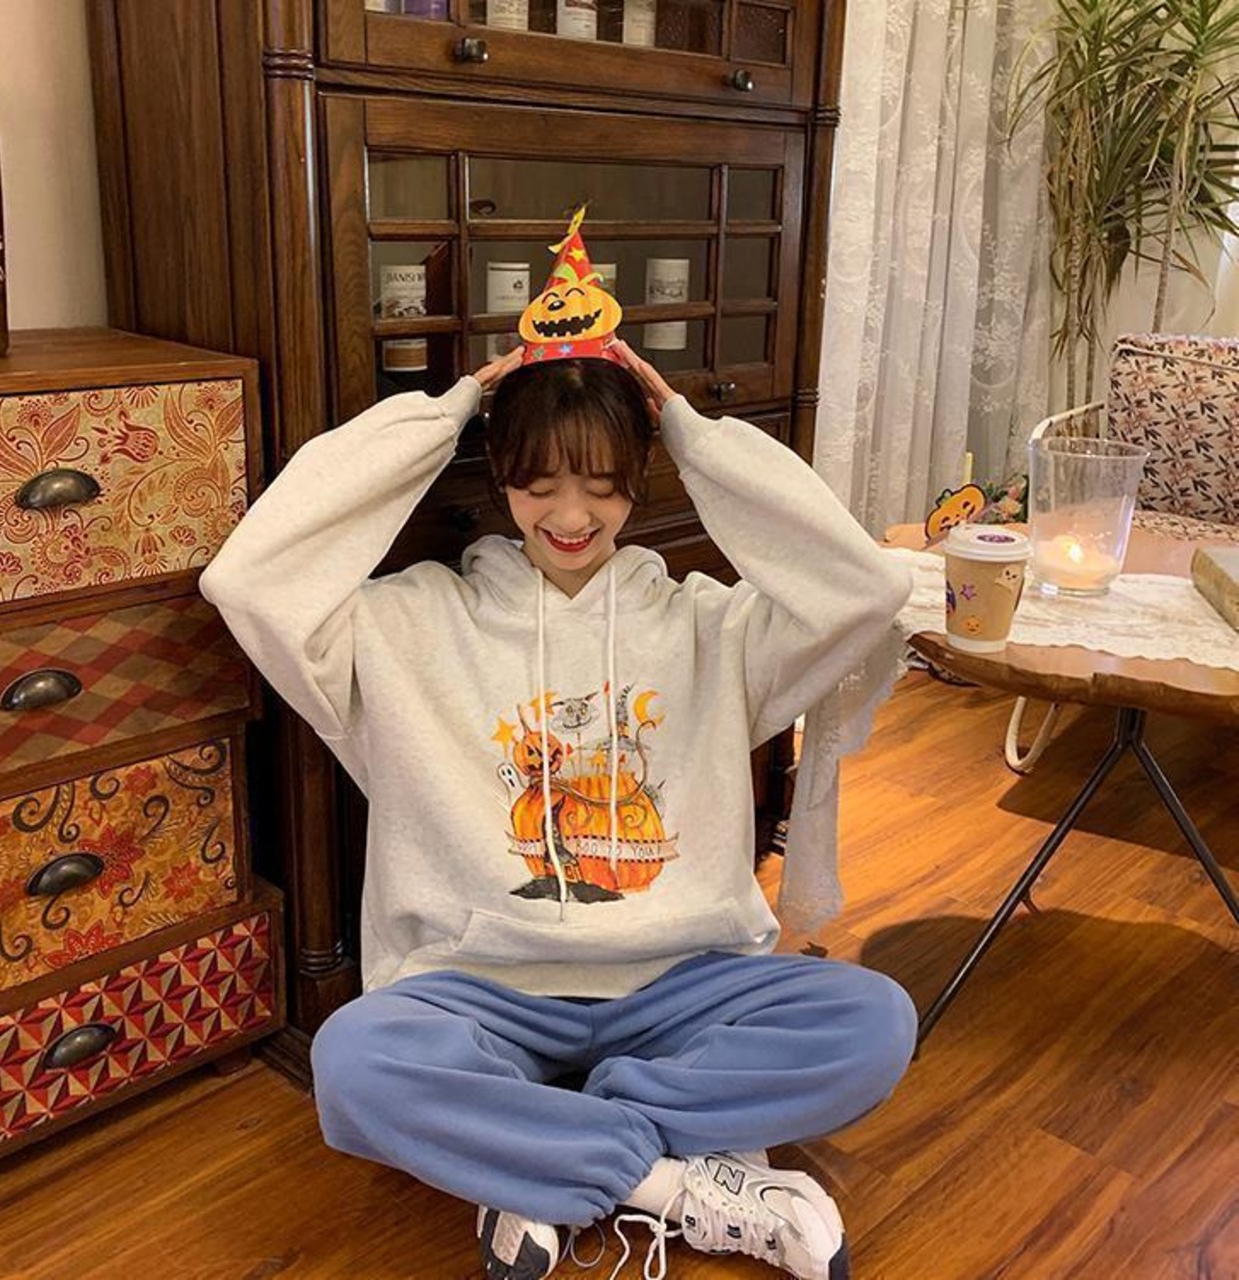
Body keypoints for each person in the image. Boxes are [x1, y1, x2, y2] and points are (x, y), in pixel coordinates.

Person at [200, 220, 915, 1280]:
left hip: (681, 984)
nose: (572, 514)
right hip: (476, 992)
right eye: (539, 482)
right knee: (353, 1064)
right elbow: (247, 579)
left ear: (641, 478)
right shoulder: (402, 627)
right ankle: (681, 1179)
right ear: (499, 474)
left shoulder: (714, 630)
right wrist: (450, 408)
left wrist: (689, 427)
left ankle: (530, 1153)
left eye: (604, 482)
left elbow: (867, 586)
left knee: (872, 1021)